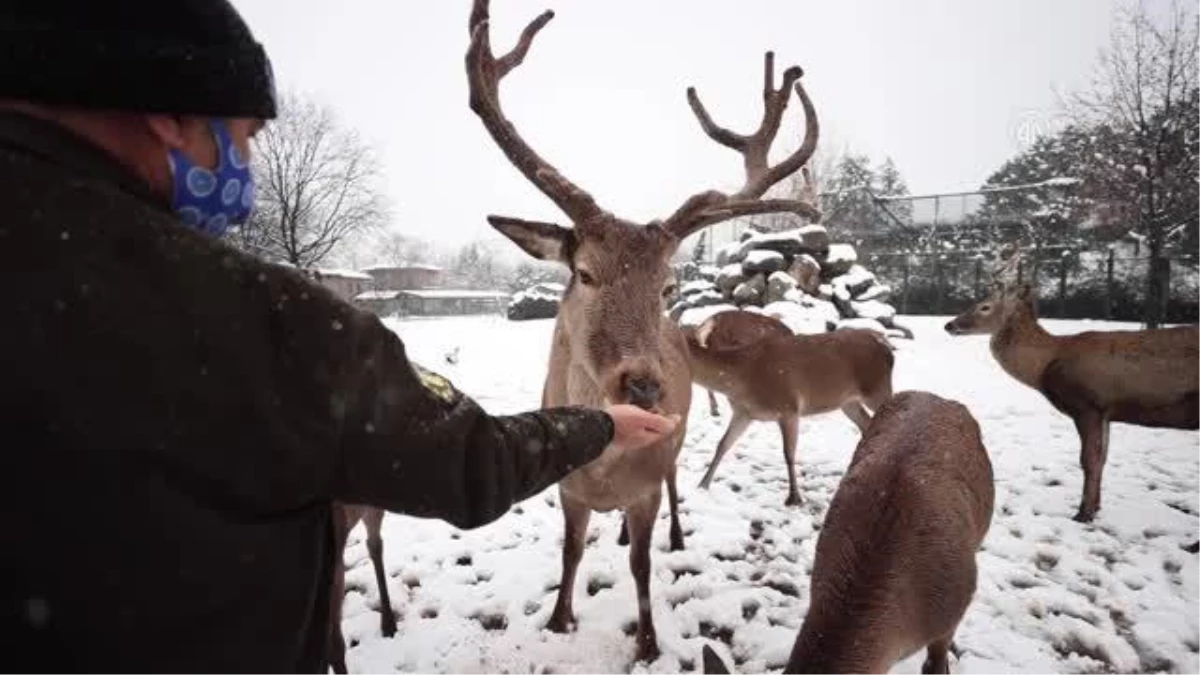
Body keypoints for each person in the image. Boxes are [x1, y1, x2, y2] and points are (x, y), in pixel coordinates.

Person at [0, 2, 680, 673]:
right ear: (172, 117)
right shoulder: (267, 323)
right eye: (245, 137)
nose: (246, 165)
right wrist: (596, 427)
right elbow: (471, 464)